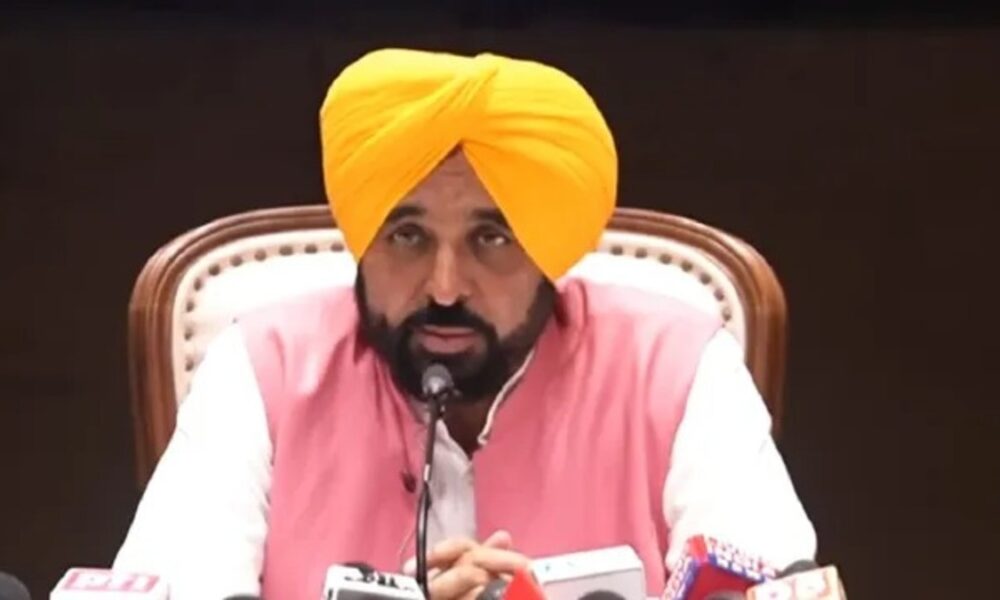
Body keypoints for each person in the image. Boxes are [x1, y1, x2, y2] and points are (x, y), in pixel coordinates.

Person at [114, 48, 816, 600]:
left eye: (492, 238)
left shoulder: (677, 368)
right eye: (408, 237)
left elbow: (776, 584)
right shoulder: (260, 369)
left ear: (546, 252)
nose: (445, 286)